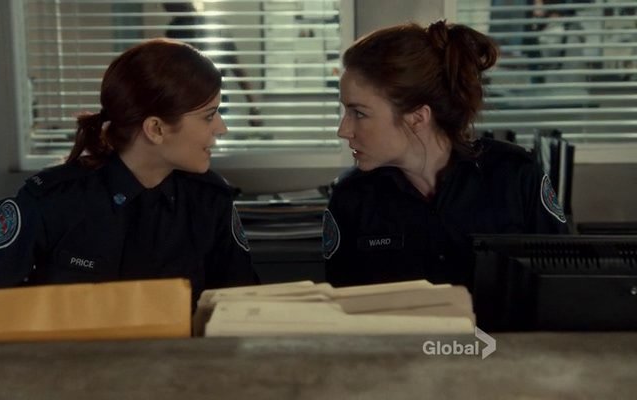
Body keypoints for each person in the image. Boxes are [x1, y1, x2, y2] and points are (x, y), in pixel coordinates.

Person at [0, 39, 258, 307]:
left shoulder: (209, 201)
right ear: (156, 129)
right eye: (209, 115)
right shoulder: (51, 203)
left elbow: (241, 307)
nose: (221, 128)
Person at [322, 21, 568, 289]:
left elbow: (564, 288)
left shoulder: (516, 177)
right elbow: (343, 307)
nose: (343, 130)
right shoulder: (352, 198)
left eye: (359, 113)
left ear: (418, 117)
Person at [163, 2, 263, 127]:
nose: (165, 7)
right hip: (190, 105)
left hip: (207, 104)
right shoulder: (175, 29)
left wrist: (253, 105)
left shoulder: (212, 27)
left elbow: (236, 66)